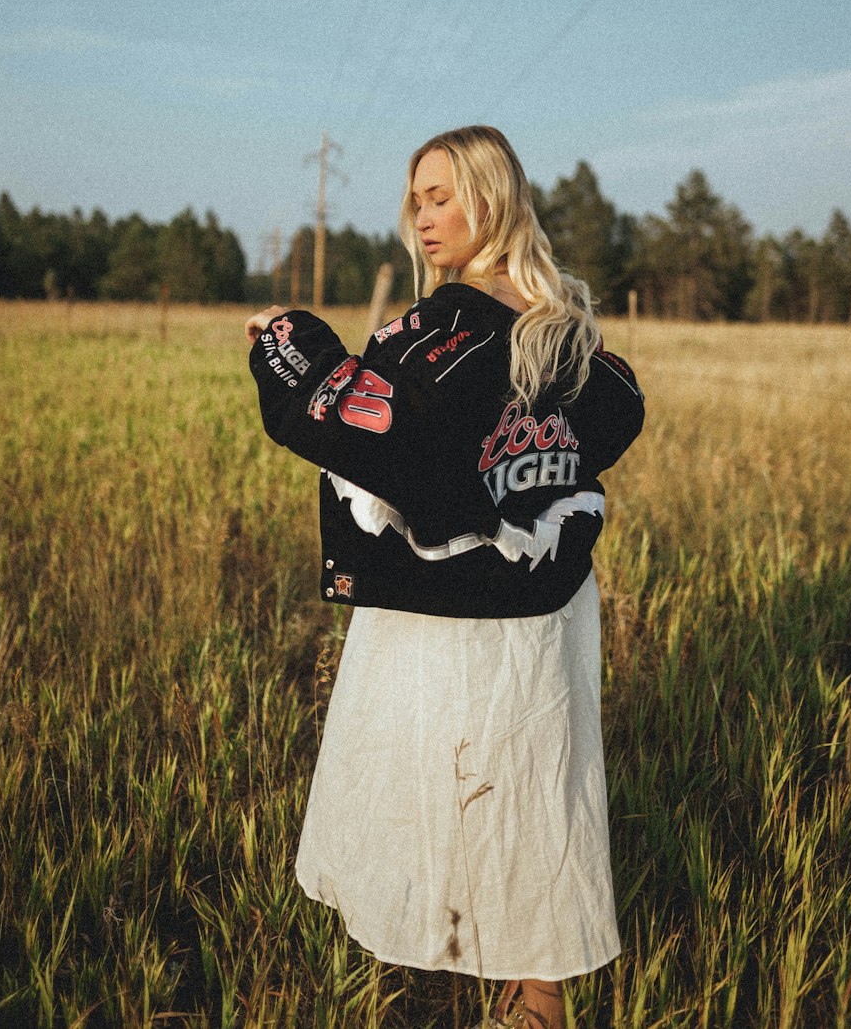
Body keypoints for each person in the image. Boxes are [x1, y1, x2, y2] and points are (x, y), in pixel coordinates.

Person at [245, 126, 644, 1029]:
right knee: (536, 778)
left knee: (438, 772)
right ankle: (536, 987)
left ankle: (495, 968)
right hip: (541, 595)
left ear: (492, 197)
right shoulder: (564, 325)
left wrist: (287, 342)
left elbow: (372, 436)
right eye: (416, 199)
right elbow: (615, 419)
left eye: (442, 196)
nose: (423, 218)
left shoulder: (437, 328)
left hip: (443, 604)